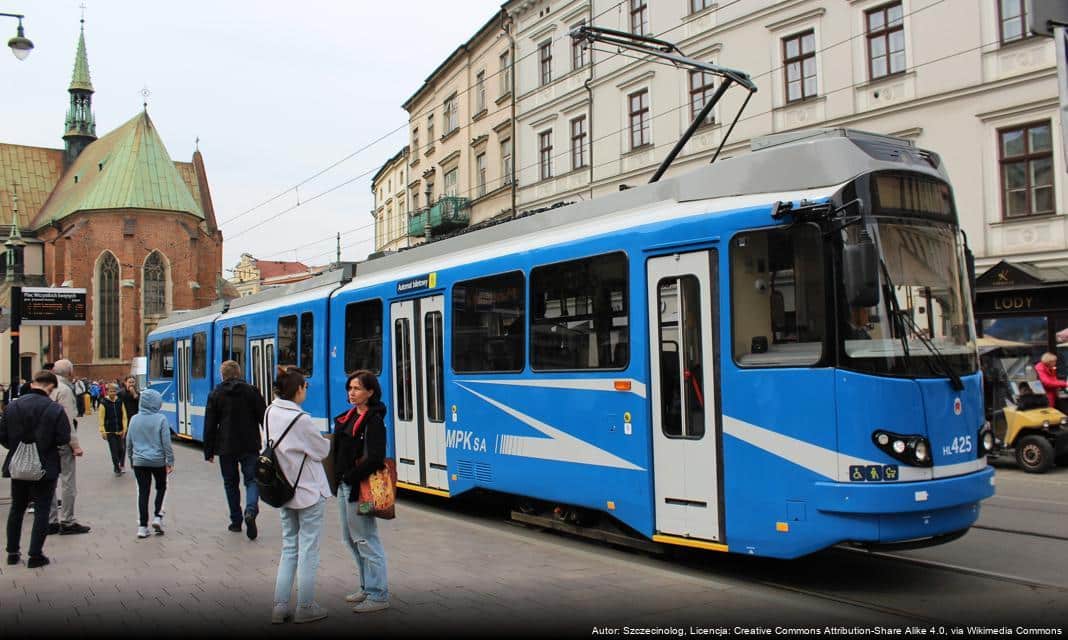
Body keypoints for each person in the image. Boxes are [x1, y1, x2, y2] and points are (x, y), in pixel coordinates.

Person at [267, 366, 331, 624]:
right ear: (298, 389)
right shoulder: (301, 420)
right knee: (308, 549)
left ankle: (280, 606)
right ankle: (306, 606)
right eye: (305, 387)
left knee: (289, 547)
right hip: (307, 491)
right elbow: (322, 450)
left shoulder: (269, 411)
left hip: (283, 490)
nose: (306, 390)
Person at [331, 370, 391, 613]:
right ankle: (367, 586)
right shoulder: (347, 417)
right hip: (346, 488)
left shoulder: (374, 421)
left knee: (367, 538)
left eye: (356, 388)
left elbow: (375, 459)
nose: (351, 393)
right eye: (350, 388)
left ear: (370, 392)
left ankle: (379, 595)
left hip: (363, 490)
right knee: (351, 538)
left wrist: (349, 476)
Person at [1, 370, 71, 569]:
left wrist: (18, 448)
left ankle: (12, 553)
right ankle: (35, 554)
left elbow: (3, 435)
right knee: (42, 510)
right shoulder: (54, 409)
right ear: (50, 386)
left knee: (17, 508)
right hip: (45, 466)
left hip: (19, 466)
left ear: (33, 383)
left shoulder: (12, 406)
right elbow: (63, 438)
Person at [203, 360, 267, 539]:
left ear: (222, 375)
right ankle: (251, 510)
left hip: (226, 447)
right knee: (252, 480)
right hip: (250, 444)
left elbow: (210, 424)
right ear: (239, 373)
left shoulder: (215, 394)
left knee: (230, 484)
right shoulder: (252, 391)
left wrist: (208, 451)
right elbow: (264, 417)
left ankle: (236, 522)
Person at [47, 359, 89, 535]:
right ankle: (68, 521)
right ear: (70, 373)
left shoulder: (48, 387)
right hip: (62, 442)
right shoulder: (64, 390)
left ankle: (50, 520)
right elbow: (68, 421)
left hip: (47, 441)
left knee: (49, 481)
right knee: (68, 481)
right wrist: (75, 445)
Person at [126, 389, 174, 539]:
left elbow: (128, 442)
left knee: (143, 492)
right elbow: (166, 443)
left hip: (139, 461)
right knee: (161, 487)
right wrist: (170, 461)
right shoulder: (161, 419)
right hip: (158, 461)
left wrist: (131, 459)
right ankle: (158, 517)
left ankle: (142, 526)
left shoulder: (134, 419)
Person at [97, 383, 129, 476]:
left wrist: (124, 429)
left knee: (121, 450)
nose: (112, 393)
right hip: (109, 431)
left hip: (120, 430)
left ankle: (119, 463)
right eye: (111, 391)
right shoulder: (103, 403)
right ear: (107, 392)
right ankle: (116, 468)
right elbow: (101, 418)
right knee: (114, 450)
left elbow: (124, 416)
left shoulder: (119, 401)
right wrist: (103, 431)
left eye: (114, 391)